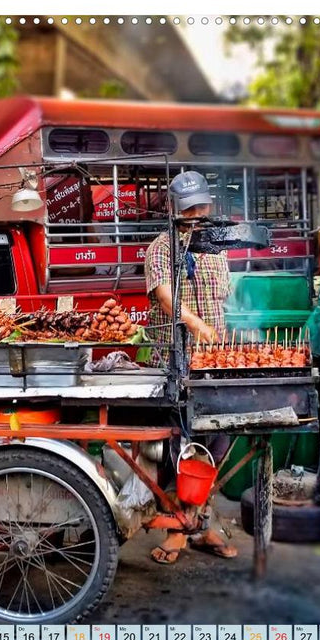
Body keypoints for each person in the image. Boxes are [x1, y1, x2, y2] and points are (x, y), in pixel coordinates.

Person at [144, 170, 236, 565]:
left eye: (203, 207)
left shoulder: (218, 249)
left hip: (213, 363)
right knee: (181, 445)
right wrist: (197, 325)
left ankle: (201, 522)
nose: (198, 215)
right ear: (174, 210)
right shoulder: (162, 248)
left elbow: (229, 298)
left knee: (219, 443)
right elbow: (165, 297)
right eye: (190, 210)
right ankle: (177, 528)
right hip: (175, 361)